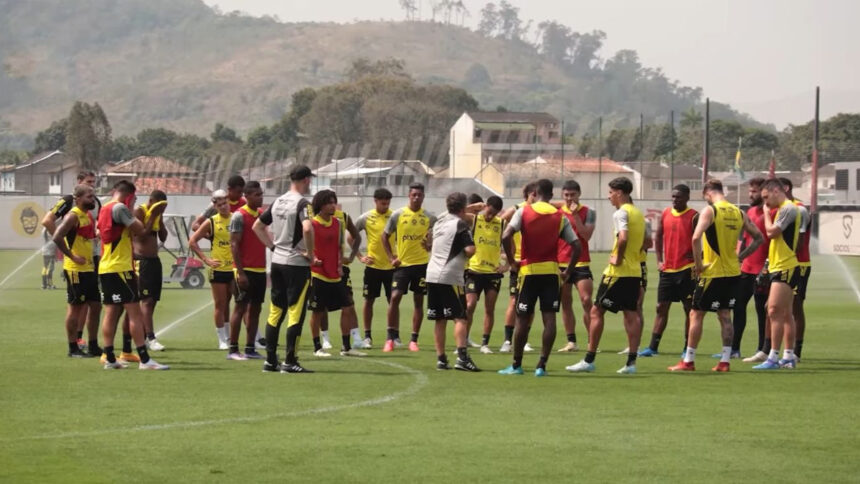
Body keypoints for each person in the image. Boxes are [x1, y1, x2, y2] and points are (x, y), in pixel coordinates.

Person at [668, 179, 763, 372]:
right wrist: (740, 257)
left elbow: (695, 237)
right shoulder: (739, 212)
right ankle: (725, 361)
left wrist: (699, 265)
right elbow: (759, 237)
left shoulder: (711, 211)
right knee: (725, 315)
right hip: (733, 274)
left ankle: (688, 361)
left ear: (707, 193)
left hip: (713, 273)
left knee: (696, 313)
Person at [499, 179, 580, 377]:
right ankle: (541, 366)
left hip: (529, 273)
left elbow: (505, 236)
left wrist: (512, 262)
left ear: (535, 192)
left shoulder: (524, 211)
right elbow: (576, 245)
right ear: (552, 195)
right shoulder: (560, 216)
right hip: (551, 274)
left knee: (522, 320)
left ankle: (516, 365)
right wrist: (568, 271)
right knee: (549, 319)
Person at [567, 177, 644, 375]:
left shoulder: (620, 213)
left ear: (619, 193)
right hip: (634, 271)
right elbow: (645, 240)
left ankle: (589, 359)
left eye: (610, 193)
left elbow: (624, 237)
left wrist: (618, 257)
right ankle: (631, 363)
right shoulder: (637, 212)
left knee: (596, 311)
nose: (609, 196)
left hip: (618, 272)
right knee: (631, 314)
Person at [97, 180, 168, 370]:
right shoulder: (121, 208)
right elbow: (142, 231)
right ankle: (145, 360)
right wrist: (153, 215)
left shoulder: (105, 208)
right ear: (128, 195)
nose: (135, 203)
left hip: (106, 266)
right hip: (120, 267)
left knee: (111, 312)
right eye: (134, 199)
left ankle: (110, 357)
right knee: (134, 312)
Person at [253, 165, 315, 373]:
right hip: (296, 264)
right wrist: (310, 253)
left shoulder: (278, 201)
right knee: (295, 313)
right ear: (306, 180)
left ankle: (271, 360)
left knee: (275, 311)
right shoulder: (303, 203)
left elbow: (257, 227)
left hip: (277, 262)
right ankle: (290, 361)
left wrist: (272, 247)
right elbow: (307, 227)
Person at [42, 170, 102, 351]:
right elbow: (53, 229)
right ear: (78, 195)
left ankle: (91, 344)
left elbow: (91, 236)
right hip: (76, 268)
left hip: (90, 265)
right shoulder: (72, 211)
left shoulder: (88, 214)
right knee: (76, 306)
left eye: (93, 193)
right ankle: (73, 346)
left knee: (95, 306)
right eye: (89, 195)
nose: (93, 196)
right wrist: (70, 253)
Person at [639, 184, 698, 357]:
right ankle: (653, 347)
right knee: (661, 307)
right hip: (668, 270)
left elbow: (700, 240)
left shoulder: (694, 216)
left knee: (689, 309)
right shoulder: (665, 213)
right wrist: (659, 260)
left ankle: (687, 348)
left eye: (678, 197)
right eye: (673, 196)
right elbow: (658, 238)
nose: (675, 200)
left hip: (687, 270)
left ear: (687, 198)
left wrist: (697, 260)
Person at [307, 190, 367, 358]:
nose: (334, 205)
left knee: (347, 308)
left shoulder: (338, 223)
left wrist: (346, 260)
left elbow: (340, 247)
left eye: (334, 202)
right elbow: (303, 247)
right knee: (317, 311)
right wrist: (313, 258)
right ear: (320, 205)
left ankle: (346, 347)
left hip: (336, 274)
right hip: (318, 274)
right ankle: (317, 347)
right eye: (329, 203)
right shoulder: (312, 224)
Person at [427, 192, 480, 371]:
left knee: (440, 319)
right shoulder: (461, 224)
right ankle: (463, 358)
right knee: (460, 317)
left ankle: (441, 359)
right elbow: (470, 250)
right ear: (463, 208)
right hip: (449, 276)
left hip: (431, 274)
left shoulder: (439, 222)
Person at [381, 182, 436, 352]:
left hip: (421, 265)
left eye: (419, 195)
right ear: (409, 196)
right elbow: (384, 236)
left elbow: (432, 241)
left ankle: (414, 340)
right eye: (414, 195)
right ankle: (390, 338)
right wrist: (391, 257)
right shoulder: (398, 215)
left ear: (423, 197)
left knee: (418, 301)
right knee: (395, 297)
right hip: (402, 266)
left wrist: (429, 245)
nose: (416, 197)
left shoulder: (429, 217)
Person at [753, 178, 801, 370]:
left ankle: (773, 357)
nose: (765, 203)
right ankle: (788, 356)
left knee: (772, 310)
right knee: (785, 313)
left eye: (766, 198)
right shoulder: (782, 209)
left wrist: (765, 214)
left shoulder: (789, 208)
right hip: (778, 265)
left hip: (785, 266)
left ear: (775, 191)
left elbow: (772, 232)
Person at [189, 190, 234, 350]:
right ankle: (222, 339)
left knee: (233, 303)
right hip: (219, 268)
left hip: (235, 268)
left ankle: (229, 337)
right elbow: (193, 241)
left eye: (225, 203)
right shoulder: (211, 222)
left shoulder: (236, 218)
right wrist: (206, 259)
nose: (223, 207)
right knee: (220, 304)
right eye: (219, 205)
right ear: (215, 206)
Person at [226, 181, 267, 361]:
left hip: (260, 269)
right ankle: (233, 349)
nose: (260, 197)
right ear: (247, 196)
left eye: (261, 194)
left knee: (256, 309)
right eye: (257, 195)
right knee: (240, 308)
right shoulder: (239, 216)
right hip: (245, 270)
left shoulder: (260, 215)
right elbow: (234, 244)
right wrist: (240, 272)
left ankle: (250, 348)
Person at [555, 180, 596, 353]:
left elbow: (586, 236)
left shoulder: (589, 212)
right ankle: (571, 341)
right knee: (566, 302)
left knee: (586, 300)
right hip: (561, 263)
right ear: (562, 195)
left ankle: (592, 340)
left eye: (573, 195)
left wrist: (576, 216)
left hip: (581, 262)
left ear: (579, 194)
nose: (569, 198)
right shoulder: (556, 212)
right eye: (566, 195)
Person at [464, 195, 506, 355]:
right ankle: (464, 339)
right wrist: (474, 206)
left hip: (492, 274)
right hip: (474, 271)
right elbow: (457, 212)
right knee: (469, 306)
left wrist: (507, 265)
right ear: (485, 206)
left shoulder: (501, 224)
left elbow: (510, 245)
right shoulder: (474, 220)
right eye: (489, 212)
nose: (490, 216)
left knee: (490, 309)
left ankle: (484, 343)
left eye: (494, 213)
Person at [499, 182, 537, 353]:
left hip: (534, 263)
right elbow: (501, 222)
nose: (535, 197)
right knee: (514, 300)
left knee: (531, 304)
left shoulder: (543, 211)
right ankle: (507, 340)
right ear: (527, 194)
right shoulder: (518, 209)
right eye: (533, 194)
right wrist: (507, 257)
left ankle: (524, 340)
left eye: (538, 194)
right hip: (518, 262)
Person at [736, 178, 772, 362]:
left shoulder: (770, 213)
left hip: (762, 270)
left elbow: (772, 241)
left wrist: (767, 266)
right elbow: (743, 238)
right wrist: (738, 257)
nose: (751, 195)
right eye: (750, 191)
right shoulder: (748, 211)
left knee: (762, 310)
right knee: (738, 305)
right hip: (746, 268)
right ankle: (734, 348)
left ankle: (762, 349)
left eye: (754, 192)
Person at [355, 188, 395, 349]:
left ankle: (391, 336)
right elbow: (351, 235)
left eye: (387, 203)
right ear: (375, 201)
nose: (385, 206)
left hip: (391, 267)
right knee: (369, 301)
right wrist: (360, 256)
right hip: (373, 267)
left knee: (393, 302)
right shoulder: (365, 217)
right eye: (382, 203)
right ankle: (367, 336)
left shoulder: (395, 216)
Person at [131, 190, 168, 351]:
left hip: (154, 261)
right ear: (151, 200)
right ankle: (151, 338)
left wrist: (160, 219)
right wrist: (153, 215)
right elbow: (141, 236)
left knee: (152, 300)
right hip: (142, 261)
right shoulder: (140, 211)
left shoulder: (157, 215)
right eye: (159, 205)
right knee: (145, 300)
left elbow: (164, 236)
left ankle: (144, 336)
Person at [781, 177, 812, 359]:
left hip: (798, 264)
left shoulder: (799, 209)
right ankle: (773, 349)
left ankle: (796, 351)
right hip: (783, 264)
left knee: (795, 306)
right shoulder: (782, 209)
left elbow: (799, 243)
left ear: (785, 188)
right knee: (775, 307)